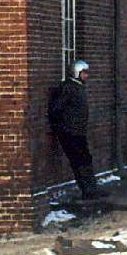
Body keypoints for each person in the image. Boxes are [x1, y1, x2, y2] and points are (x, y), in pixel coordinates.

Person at [47, 60, 106, 199]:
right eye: (84, 73)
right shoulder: (68, 88)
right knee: (78, 160)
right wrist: (63, 126)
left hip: (79, 131)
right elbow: (56, 109)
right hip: (70, 132)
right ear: (76, 72)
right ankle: (86, 189)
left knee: (86, 158)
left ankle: (92, 187)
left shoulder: (79, 87)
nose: (86, 76)